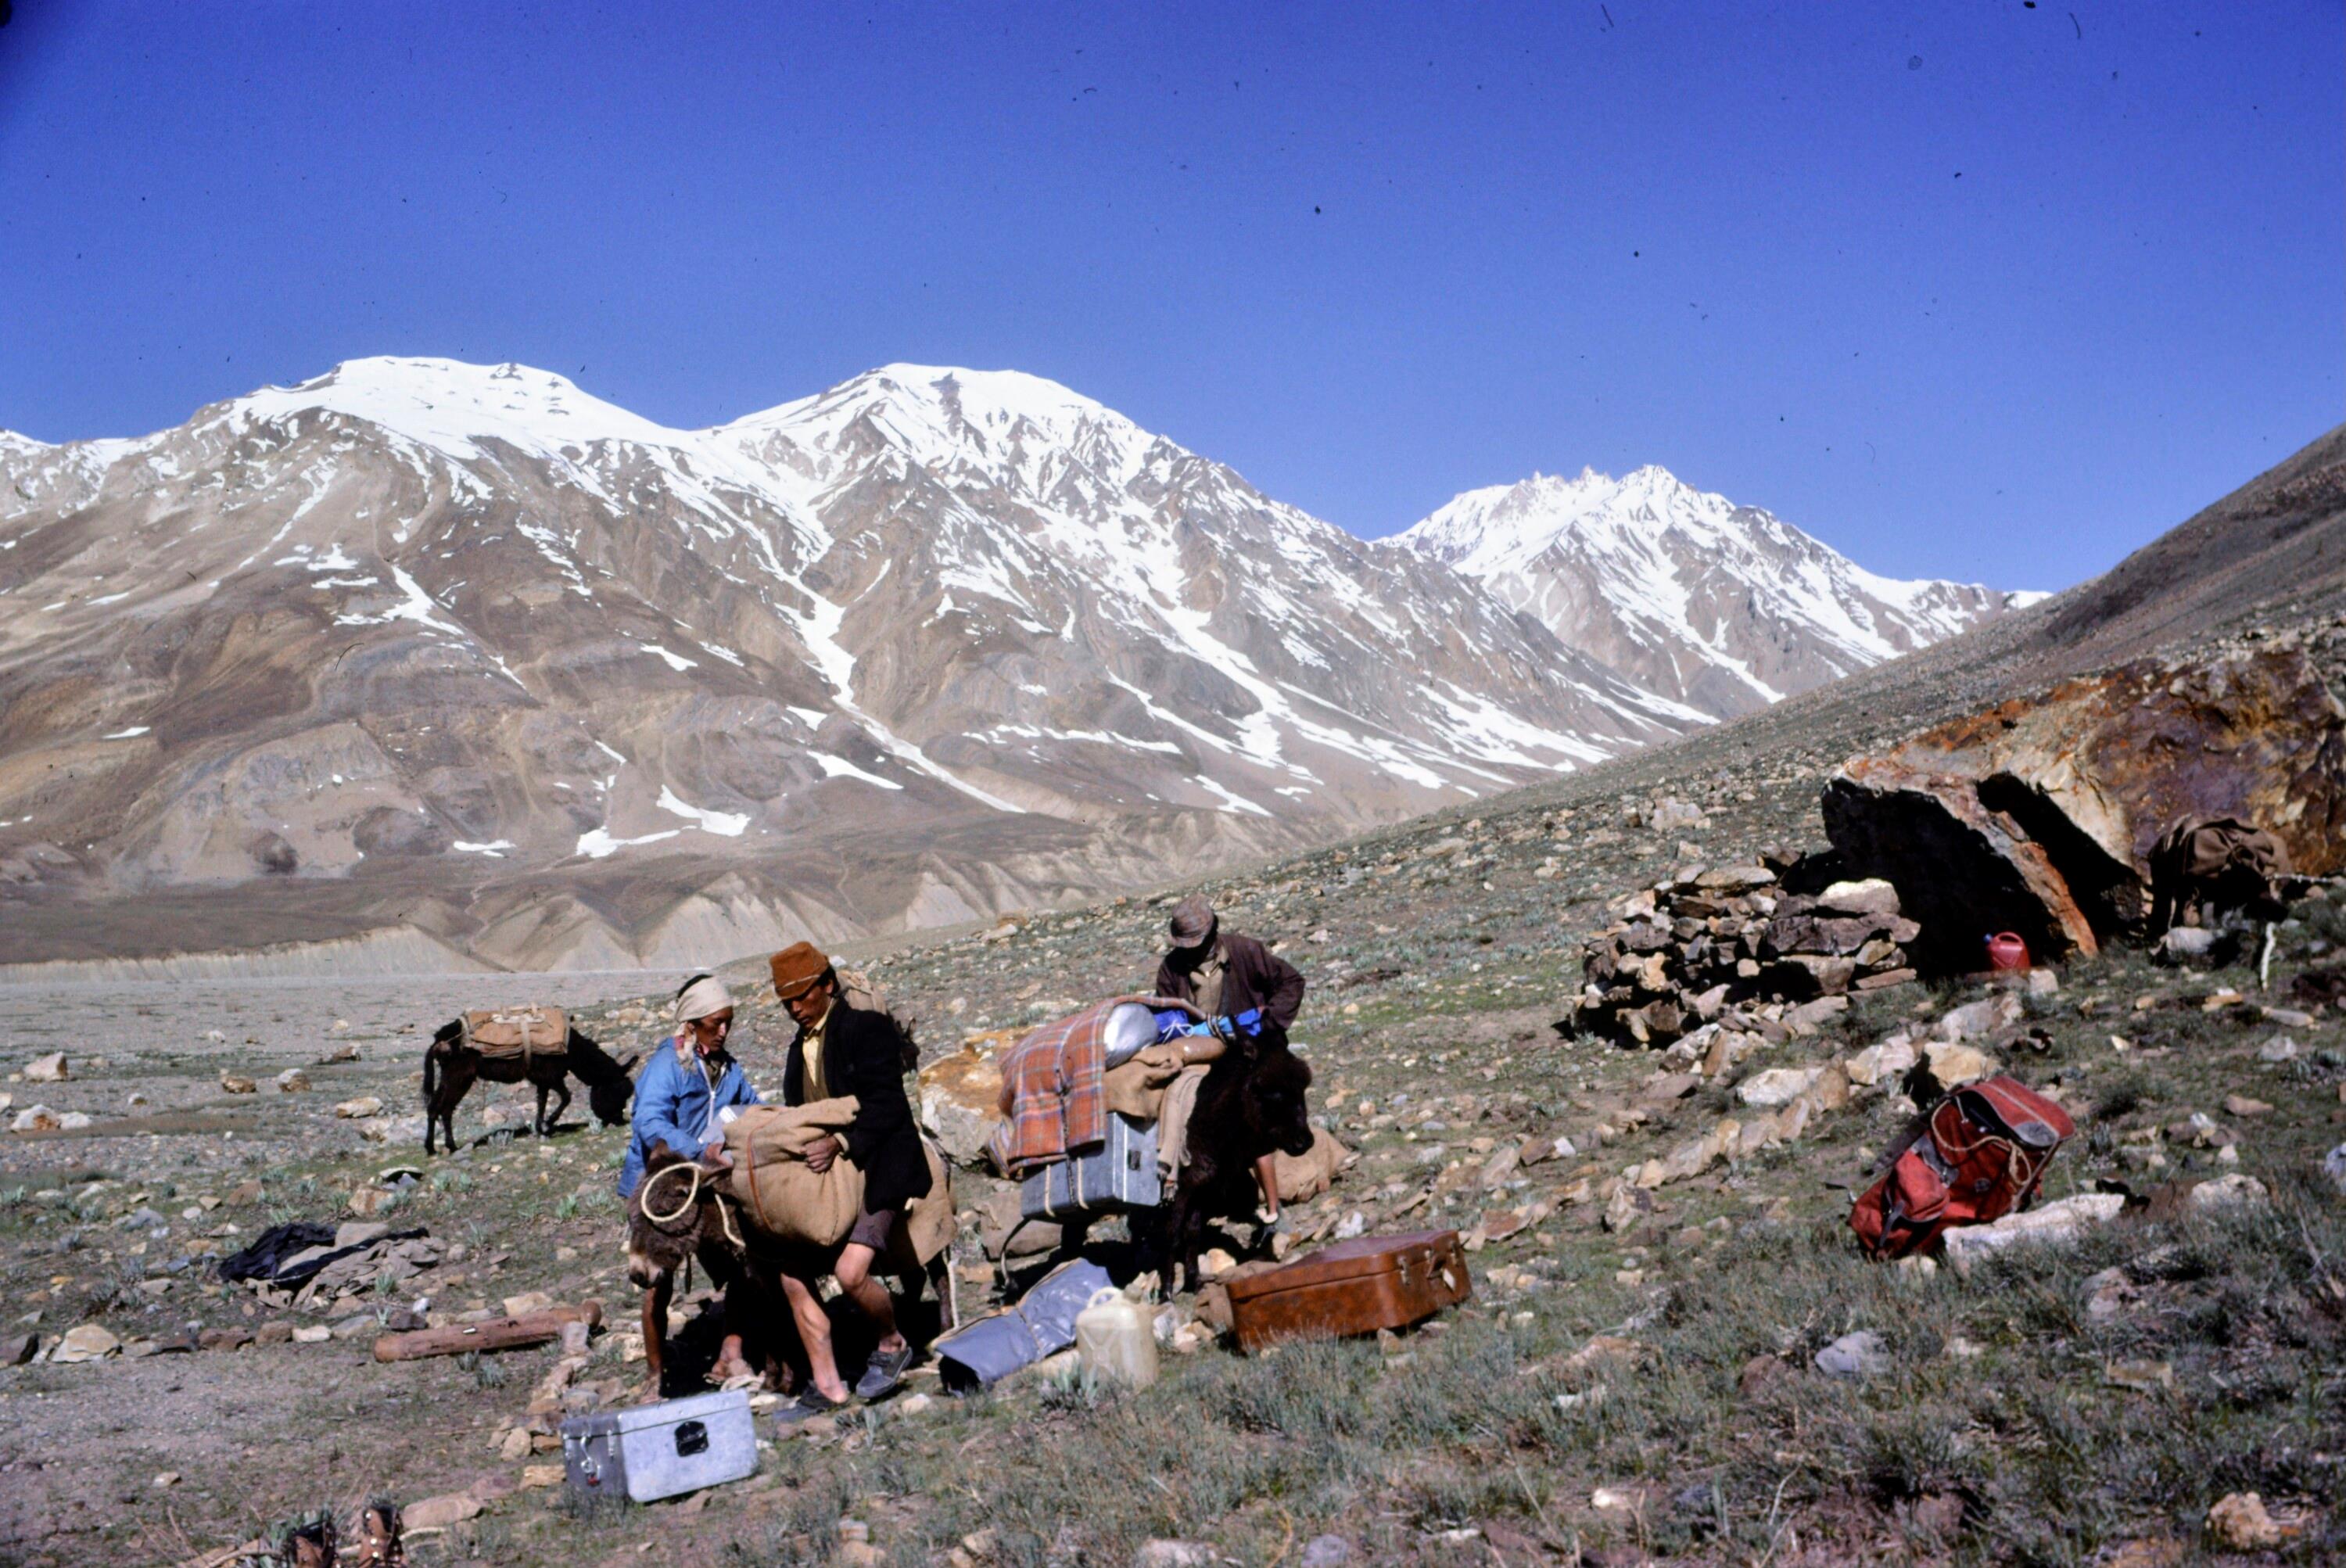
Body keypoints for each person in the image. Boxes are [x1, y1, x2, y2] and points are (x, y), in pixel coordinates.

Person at [766, 940, 932, 1419]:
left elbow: (888, 1106)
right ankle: (827, 1382)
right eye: (786, 1002)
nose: (795, 1009)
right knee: (791, 1274)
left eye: (802, 997)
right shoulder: (797, 1050)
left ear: (827, 986)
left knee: (851, 1272)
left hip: (882, 1164)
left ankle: (891, 1341)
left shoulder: (866, 1028)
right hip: (832, 1179)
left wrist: (841, 1141)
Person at [619, 972, 762, 1385]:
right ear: (691, 1024)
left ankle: (729, 1356)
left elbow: (752, 1105)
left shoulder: (728, 1069)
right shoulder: (668, 1066)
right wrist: (698, 1153)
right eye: (716, 1023)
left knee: (740, 1264)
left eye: (729, 1021)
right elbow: (649, 1121)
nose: (724, 1031)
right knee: (656, 1281)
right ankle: (655, 1377)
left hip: (702, 1189)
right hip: (661, 1190)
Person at [1151, 895, 1308, 1228]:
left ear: (1213, 933)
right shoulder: (1171, 968)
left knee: (1255, 1118)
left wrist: (1268, 1023)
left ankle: (1274, 1212)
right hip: (1202, 1052)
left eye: (1198, 943)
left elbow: (1291, 982)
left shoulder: (1244, 951)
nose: (1192, 951)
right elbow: (1167, 1015)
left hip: (1251, 1052)